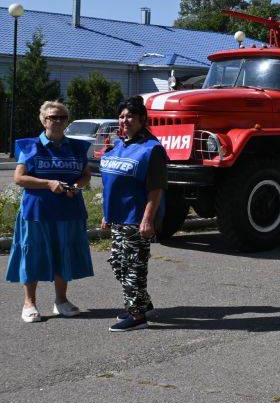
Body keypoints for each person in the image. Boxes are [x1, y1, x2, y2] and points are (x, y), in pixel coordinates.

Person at [5, 101, 94, 322]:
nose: (58, 121)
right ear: (43, 119)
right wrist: (48, 184)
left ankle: (61, 301)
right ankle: (29, 303)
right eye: (53, 117)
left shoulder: (77, 147)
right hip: (37, 212)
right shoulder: (30, 146)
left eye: (62, 117)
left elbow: (86, 174)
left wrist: (78, 186)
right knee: (32, 254)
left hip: (68, 210)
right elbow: (19, 178)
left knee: (63, 253)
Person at [100, 96, 167, 331]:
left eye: (129, 116)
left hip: (136, 219)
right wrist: (106, 213)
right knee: (118, 264)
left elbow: (156, 189)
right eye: (121, 116)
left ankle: (137, 315)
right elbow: (111, 183)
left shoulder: (152, 149)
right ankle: (143, 303)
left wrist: (148, 219)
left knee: (133, 266)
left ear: (141, 119)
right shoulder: (120, 144)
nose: (124, 120)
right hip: (117, 217)